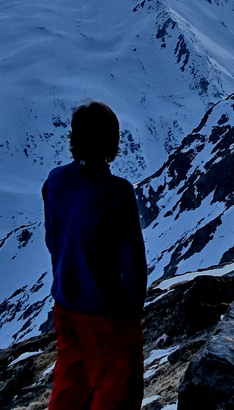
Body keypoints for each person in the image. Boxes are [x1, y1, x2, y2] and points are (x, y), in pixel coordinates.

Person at [43, 101, 147, 410]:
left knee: (71, 386)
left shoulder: (56, 181)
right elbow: (133, 261)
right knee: (116, 392)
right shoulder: (117, 193)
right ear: (112, 143)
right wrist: (132, 315)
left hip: (65, 303)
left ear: (74, 140)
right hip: (106, 311)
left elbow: (52, 239)